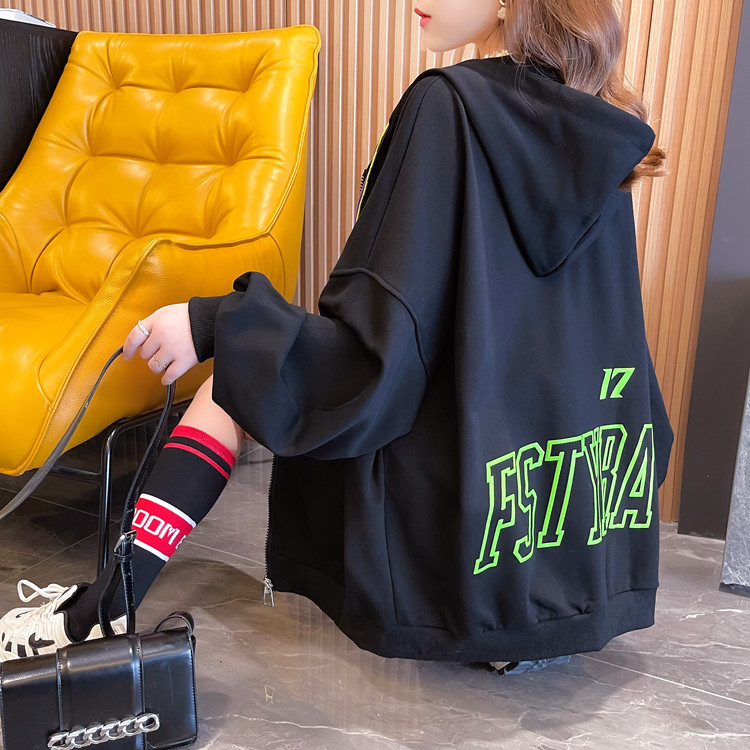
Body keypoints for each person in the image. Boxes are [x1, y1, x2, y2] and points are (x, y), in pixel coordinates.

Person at [1, 0, 672, 668]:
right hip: (565, 521)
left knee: (235, 378)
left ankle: (99, 612)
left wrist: (211, 324)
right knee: (265, 358)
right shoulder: (598, 128)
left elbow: (374, 357)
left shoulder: (449, 105)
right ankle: (512, 634)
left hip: (460, 524)